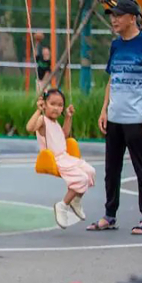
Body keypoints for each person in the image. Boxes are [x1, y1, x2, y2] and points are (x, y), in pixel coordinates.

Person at [89, 0, 142, 235]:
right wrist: (104, 109)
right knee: (111, 170)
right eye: (113, 16)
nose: (114, 20)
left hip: (137, 118)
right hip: (114, 118)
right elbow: (112, 79)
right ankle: (109, 215)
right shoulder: (116, 45)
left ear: (132, 18)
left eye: (119, 15)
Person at [26, 89, 95, 228]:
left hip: (66, 157)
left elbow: (64, 134)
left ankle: (76, 200)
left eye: (60, 105)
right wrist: (38, 110)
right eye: (52, 104)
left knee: (90, 171)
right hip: (55, 160)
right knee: (81, 179)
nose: (56, 108)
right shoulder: (43, 120)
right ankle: (63, 205)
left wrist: (68, 117)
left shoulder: (55, 122)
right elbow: (30, 127)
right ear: (44, 104)